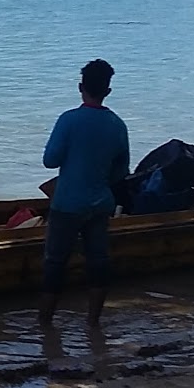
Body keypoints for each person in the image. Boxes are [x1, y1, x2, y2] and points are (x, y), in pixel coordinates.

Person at [39, 58, 130, 328]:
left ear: (81, 87)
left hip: (67, 202)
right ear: (108, 91)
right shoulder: (117, 125)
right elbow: (120, 171)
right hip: (101, 203)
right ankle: (93, 322)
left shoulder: (68, 120)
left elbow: (50, 160)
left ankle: (45, 324)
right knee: (98, 262)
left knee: (55, 262)